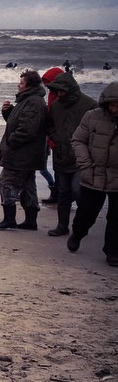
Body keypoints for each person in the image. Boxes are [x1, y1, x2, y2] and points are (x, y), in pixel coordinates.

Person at [67, 82, 118, 266]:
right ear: (106, 103)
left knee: (116, 218)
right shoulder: (92, 116)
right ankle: (77, 234)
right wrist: (85, 164)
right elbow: (78, 140)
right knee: (86, 214)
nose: (115, 109)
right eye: (112, 105)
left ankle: (113, 251)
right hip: (93, 172)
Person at [0, 69, 48, 231]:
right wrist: (8, 112)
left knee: (6, 182)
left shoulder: (33, 102)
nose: (18, 85)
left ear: (30, 85)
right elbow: (18, 122)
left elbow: (27, 129)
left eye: (22, 83)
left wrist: (12, 141)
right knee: (28, 185)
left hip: (22, 154)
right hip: (27, 154)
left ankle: (9, 219)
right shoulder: (28, 100)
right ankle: (30, 221)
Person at [44, 71, 98, 236]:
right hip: (61, 155)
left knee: (78, 191)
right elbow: (49, 125)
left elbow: (98, 130)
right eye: (57, 90)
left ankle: (81, 225)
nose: (59, 94)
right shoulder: (55, 106)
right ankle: (62, 226)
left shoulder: (90, 104)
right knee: (63, 193)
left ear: (71, 89)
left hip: (81, 158)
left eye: (62, 91)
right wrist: (55, 137)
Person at [39, 67, 64, 204]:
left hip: (57, 139)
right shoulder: (51, 95)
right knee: (51, 168)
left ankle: (57, 193)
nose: (47, 86)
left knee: (50, 169)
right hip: (50, 137)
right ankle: (56, 193)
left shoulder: (61, 97)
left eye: (48, 83)